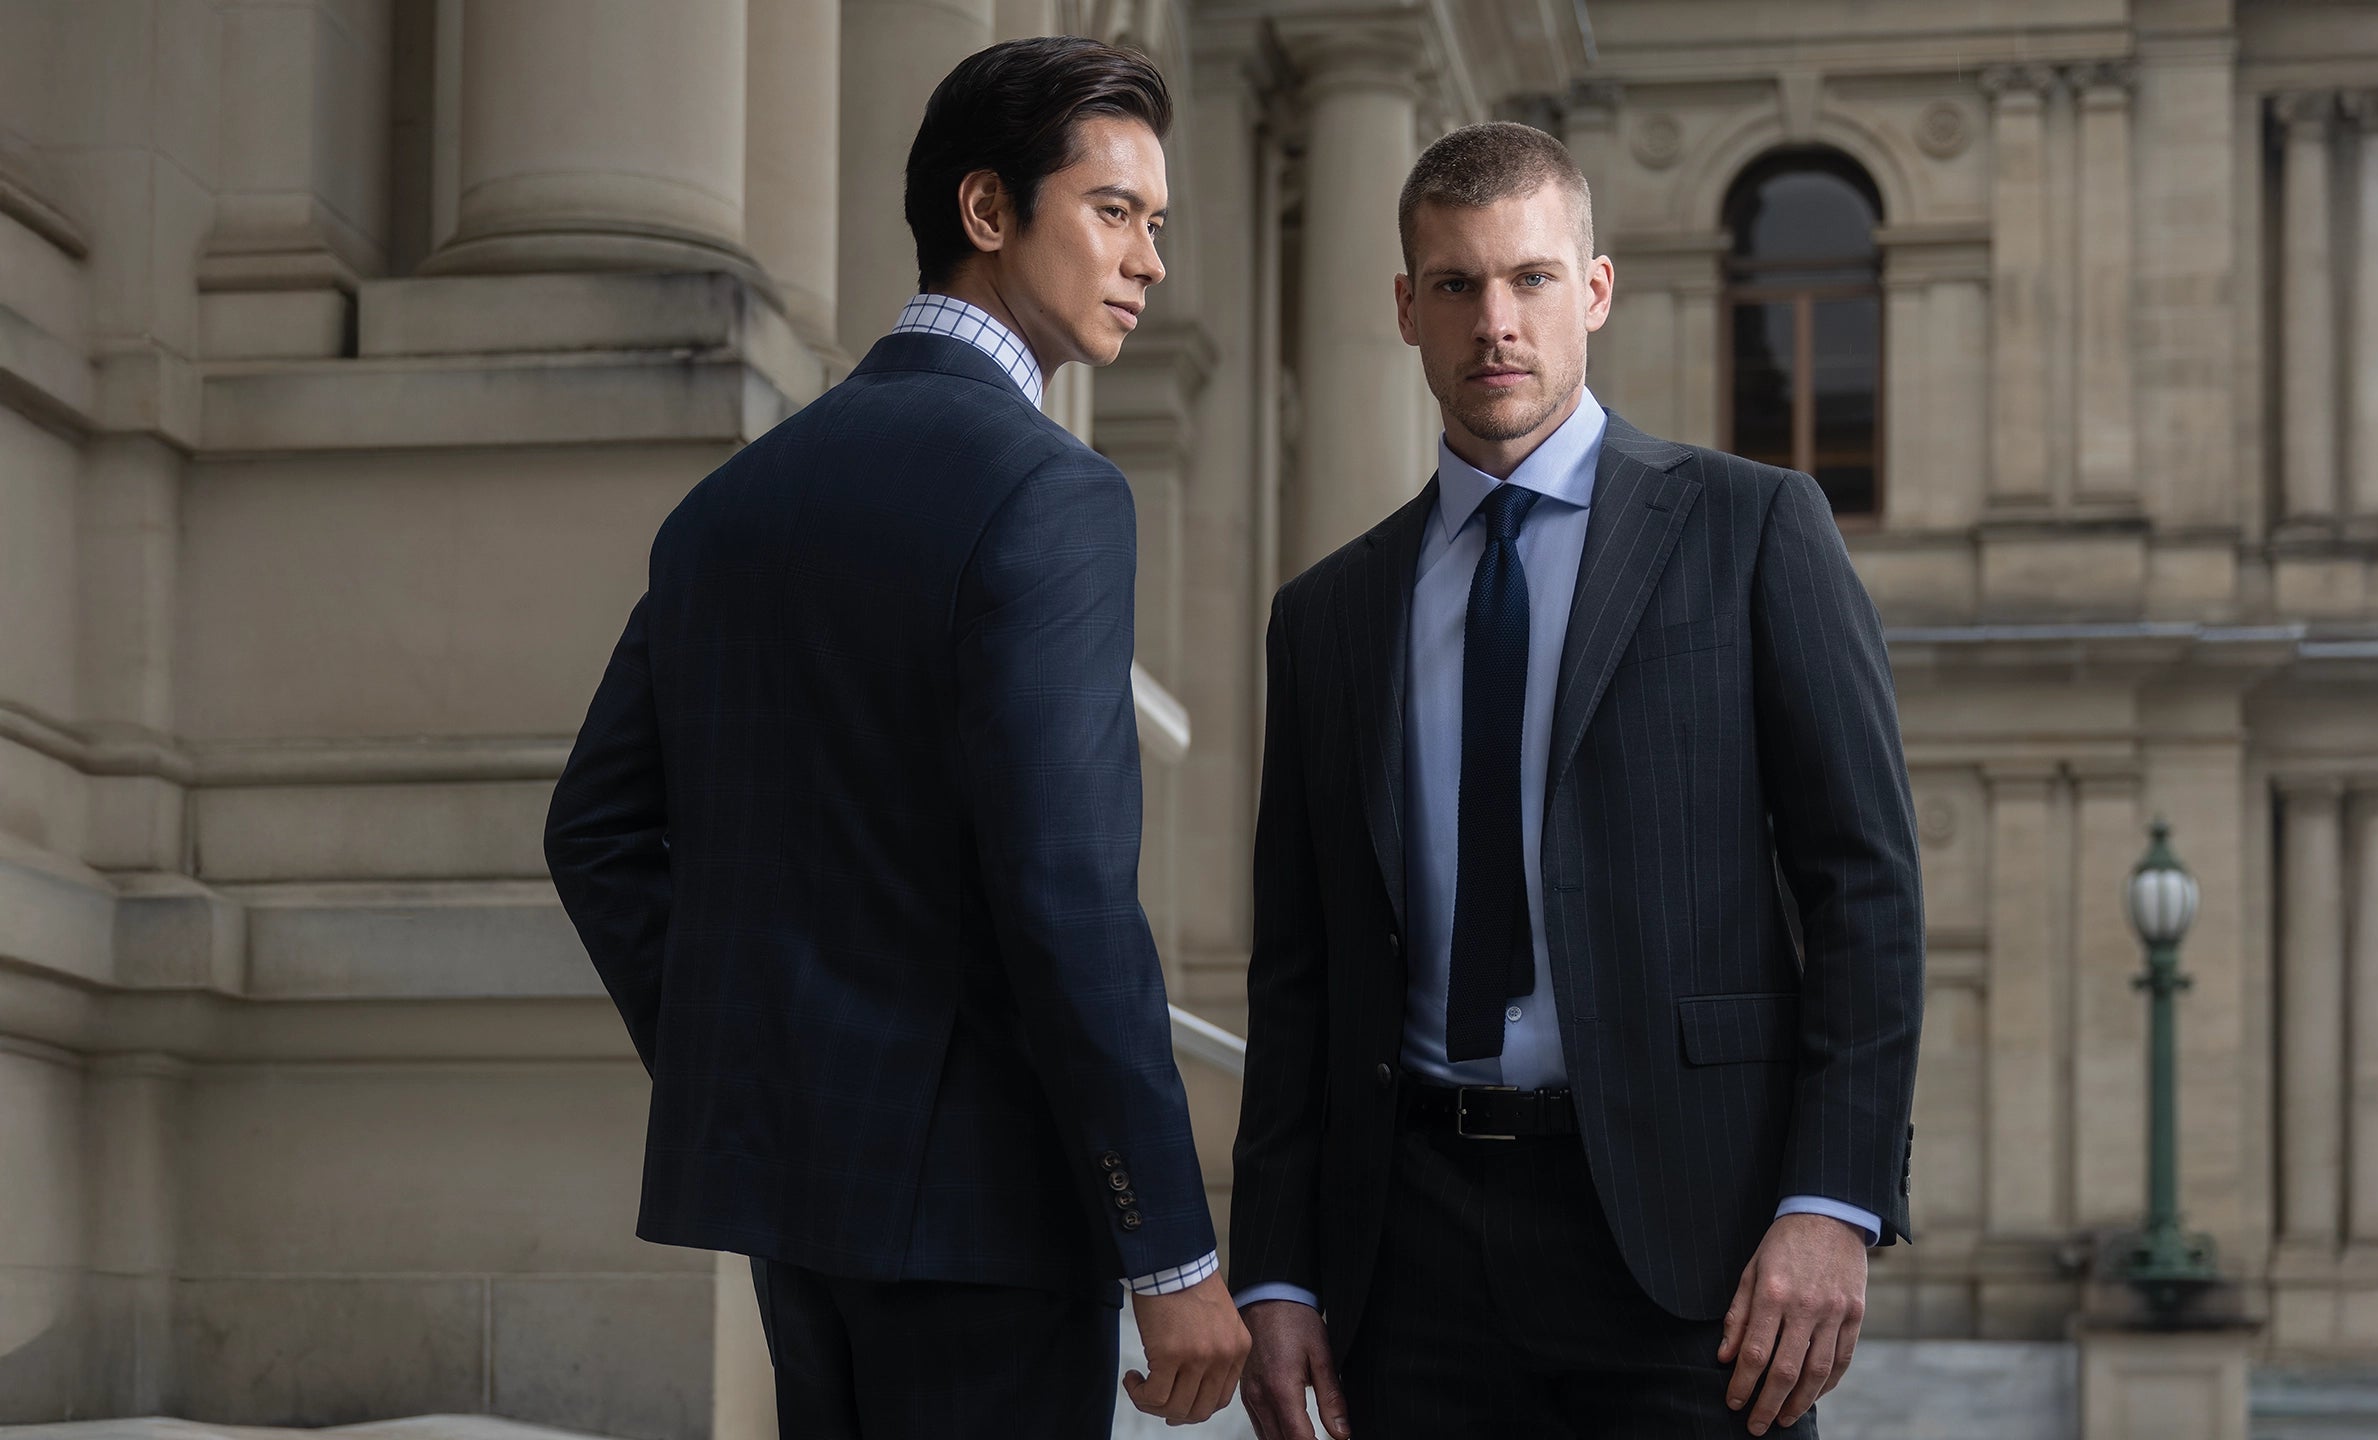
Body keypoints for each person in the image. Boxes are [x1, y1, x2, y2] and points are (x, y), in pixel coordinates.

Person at [543, 36, 1249, 1438]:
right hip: (991, 1220)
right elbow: (1066, 895)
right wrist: (1173, 1253)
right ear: (987, 210)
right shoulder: (1052, 491)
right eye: (1114, 211)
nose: (1150, 260)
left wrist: (756, 1071)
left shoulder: (730, 504)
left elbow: (595, 832)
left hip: (795, 1201)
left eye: (1157, 223)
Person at [1229, 121, 1923, 1439]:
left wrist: (1832, 1202)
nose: (1496, 322)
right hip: (1409, 1256)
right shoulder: (1327, 617)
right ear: (1407, 310)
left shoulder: (1752, 530)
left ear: (1593, 291)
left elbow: (1867, 892)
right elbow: (1300, 967)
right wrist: (1274, 1267)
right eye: (1456, 285)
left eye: (1531, 278)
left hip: (1694, 1249)